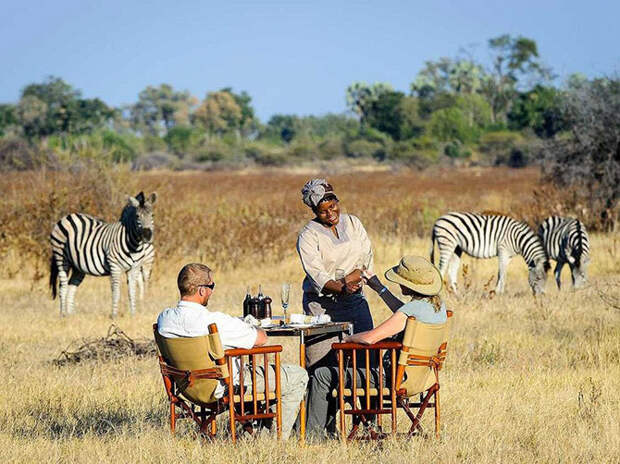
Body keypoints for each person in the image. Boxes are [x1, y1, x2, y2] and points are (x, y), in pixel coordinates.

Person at [157, 263, 308, 440]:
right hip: (222, 387)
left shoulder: (164, 319)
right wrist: (252, 325)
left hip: (186, 388)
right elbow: (261, 339)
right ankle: (270, 441)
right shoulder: (214, 321)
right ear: (201, 290)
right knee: (298, 376)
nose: (212, 291)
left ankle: (250, 433)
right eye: (211, 286)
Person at [305, 256, 448, 439]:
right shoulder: (437, 308)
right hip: (424, 377)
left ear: (409, 285)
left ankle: (312, 437)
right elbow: (402, 309)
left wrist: (347, 339)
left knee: (323, 374)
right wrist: (378, 287)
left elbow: (371, 338)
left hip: (392, 379)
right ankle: (365, 425)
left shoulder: (410, 311)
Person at [296, 178, 375, 370]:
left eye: (332, 206)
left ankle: (367, 399)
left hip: (355, 301)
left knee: (366, 360)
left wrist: (350, 284)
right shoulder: (308, 235)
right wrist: (341, 287)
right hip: (321, 308)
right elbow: (317, 274)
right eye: (323, 211)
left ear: (337, 202)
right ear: (314, 212)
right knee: (321, 365)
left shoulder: (353, 223)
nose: (330, 214)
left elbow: (366, 259)